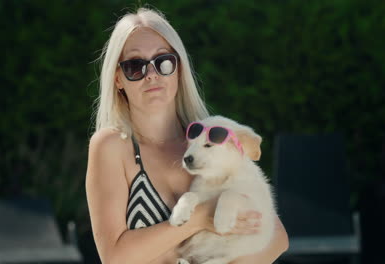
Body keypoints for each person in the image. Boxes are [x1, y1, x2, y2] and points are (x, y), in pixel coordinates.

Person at [86, 7, 288, 264]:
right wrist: (201, 217)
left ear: (179, 69)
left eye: (164, 61)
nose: (152, 74)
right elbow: (115, 257)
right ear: (117, 79)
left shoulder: (207, 139)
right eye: (135, 66)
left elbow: (277, 237)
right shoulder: (111, 146)